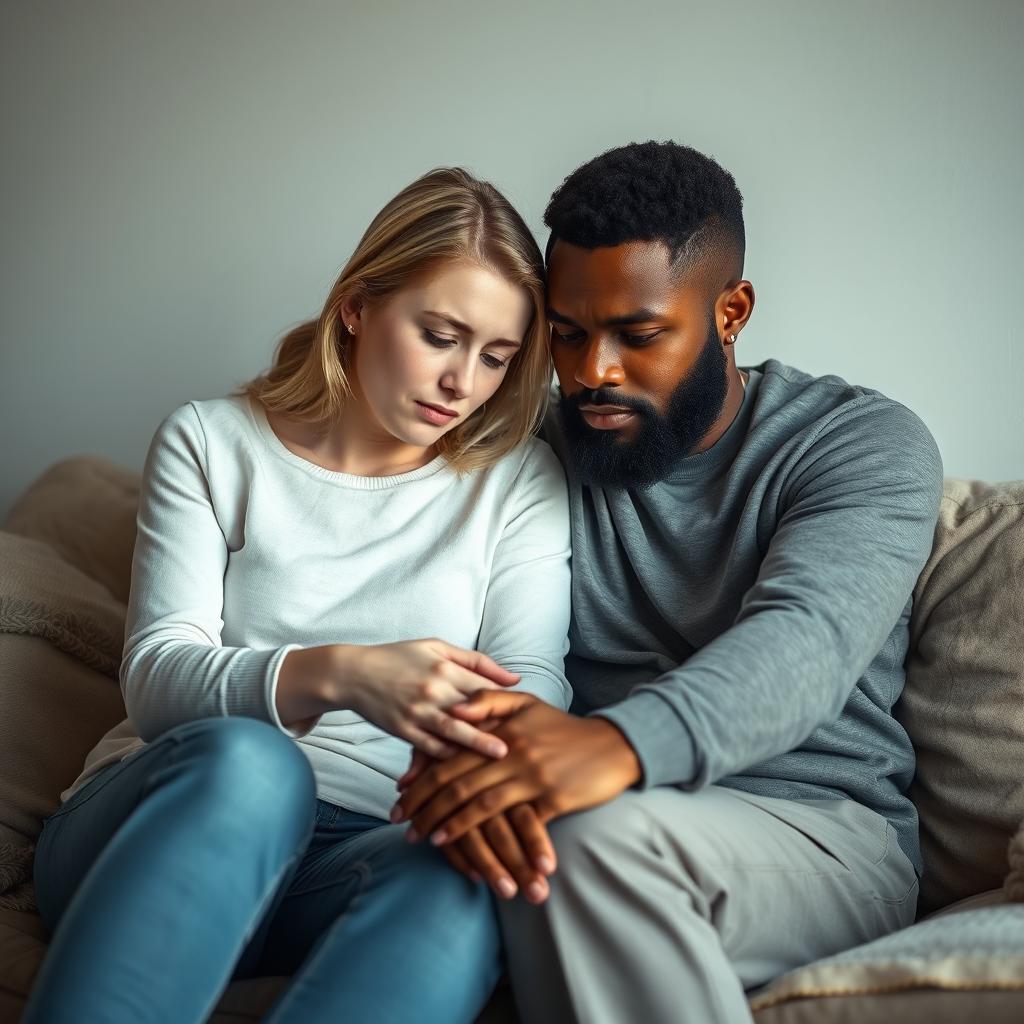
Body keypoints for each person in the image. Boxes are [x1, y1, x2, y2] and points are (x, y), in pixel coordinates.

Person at [393, 141, 945, 1024]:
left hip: (814, 832)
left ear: (731, 311)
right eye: (567, 334)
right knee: (490, 858)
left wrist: (611, 749)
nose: (593, 371)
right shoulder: (528, 447)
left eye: (638, 334)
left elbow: (807, 642)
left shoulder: (856, 442)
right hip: (585, 810)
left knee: (574, 843)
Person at [23, 167, 572, 1024]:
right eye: (440, 335)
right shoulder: (212, 441)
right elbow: (159, 678)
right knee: (255, 764)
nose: (463, 383)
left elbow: (533, 683)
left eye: (497, 357)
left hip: (357, 849)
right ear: (356, 306)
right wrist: (344, 673)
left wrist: (475, 775)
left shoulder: (518, 482)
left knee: (463, 879)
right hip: (163, 824)